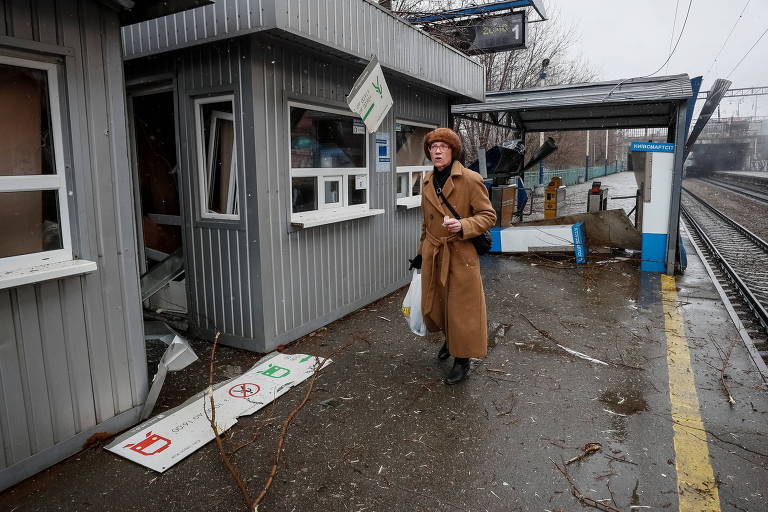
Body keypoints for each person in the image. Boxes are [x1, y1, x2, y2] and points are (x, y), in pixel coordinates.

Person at [409, 128, 496, 385]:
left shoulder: (470, 179)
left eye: (443, 147)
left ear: (452, 151)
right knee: (435, 306)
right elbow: (427, 223)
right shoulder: (426, 181)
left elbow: (488, 215)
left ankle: (462, 360)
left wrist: (464, 226)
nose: (437, 151)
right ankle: (450, 339)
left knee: (462, 311)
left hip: (461, 254)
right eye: (433, 147)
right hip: (434, 253)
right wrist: (420, 254)